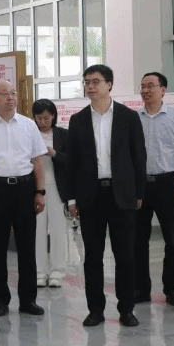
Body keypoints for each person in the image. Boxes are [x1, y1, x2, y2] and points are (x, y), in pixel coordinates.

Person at [68, 64, 147, 327]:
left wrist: (139, 192)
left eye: (95, 81)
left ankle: (127, 309)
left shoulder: (128, 117)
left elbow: (139, 157)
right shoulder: (78, 120)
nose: (90, 86)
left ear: (109, 84)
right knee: (93, 256)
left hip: (122, 194)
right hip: (90, 196)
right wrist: (72, 198)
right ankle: (95, 309)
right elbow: (72, 164)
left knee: (125, 255)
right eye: (87, 82)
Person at [0, 79, 47, 317]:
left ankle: (28, 300)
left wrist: (40, 191)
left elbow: (38, 161)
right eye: (4, 93)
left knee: (27, 246)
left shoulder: (28, 125)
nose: (10, 97)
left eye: (13, 93)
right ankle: (0, 299)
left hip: (25, 189)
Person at [134, 72, 174, 307]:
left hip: (168, 183)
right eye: (142, 86)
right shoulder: (134, 118)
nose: (146, 90)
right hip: (139, 185)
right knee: (138, 240)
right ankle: (140, 289)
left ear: (163, 90)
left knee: (172, 239)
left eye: (151, 86)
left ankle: (172, 288)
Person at [32, 99, 70, 288]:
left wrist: (54, 153)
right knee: (37, 231)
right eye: (39, 118)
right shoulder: (31, 133)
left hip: (57, 187)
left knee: (57, 231)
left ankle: (57, 271)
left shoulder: (63, 134)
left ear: (53, 115)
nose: (43, 122)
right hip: (36, 189)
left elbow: (72, 160)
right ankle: (39, 272)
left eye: (46, 118)